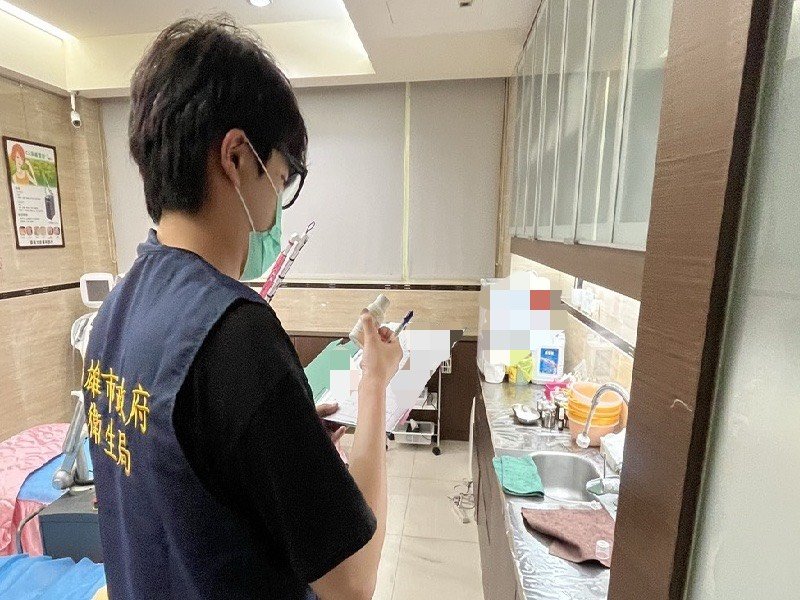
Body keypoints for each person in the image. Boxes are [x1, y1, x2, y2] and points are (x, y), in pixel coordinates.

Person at [83, 17, 402, 600]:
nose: (276, 208)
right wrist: (376, 386)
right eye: (279, 179)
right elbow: (352, 581)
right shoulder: (235, 334)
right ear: (235, 157)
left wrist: (275, 445)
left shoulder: (115, 313)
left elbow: (180, 480)